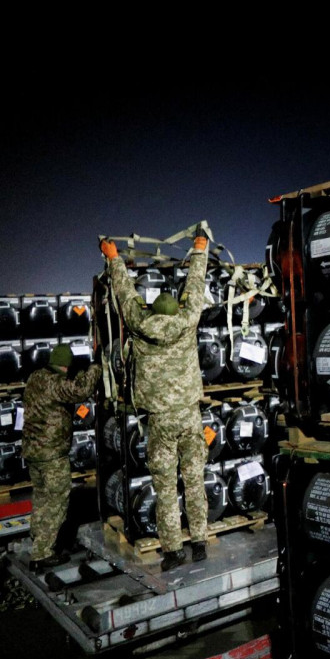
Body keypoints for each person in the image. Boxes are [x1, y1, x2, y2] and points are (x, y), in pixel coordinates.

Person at [101, 230, 211, 571]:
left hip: (160, 421)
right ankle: (201, 541)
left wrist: (113, 257)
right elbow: (195, 287)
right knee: (194, 480)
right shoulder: (187, 322)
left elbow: (125, 295)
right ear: (176, 310)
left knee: (164, 486)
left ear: (153, 312)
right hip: (190, 417)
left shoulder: (140, 326)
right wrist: (199, 249)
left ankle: (174, 551)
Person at [22, 344, 102, 571]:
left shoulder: (36, 377)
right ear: (65, 365)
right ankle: (42, 554)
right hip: (52, 454)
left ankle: (38, 539)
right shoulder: (55, 383)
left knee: (41, 499)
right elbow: (80, 390)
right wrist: (95, 368)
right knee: (57, 502)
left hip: (33, 452)